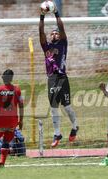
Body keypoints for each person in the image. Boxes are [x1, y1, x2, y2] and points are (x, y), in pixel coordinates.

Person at [39, 2, 78, 148]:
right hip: (51, 78)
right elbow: (40, 33)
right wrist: (42, 17)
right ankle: (57, 133)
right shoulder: (46, 46)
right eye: (53, 33)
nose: (55, 34)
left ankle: (75, 126)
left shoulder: (63, 44)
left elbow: (61, 27)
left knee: (67, 107)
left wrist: (56, 13)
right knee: (54, 107)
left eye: (57, 32)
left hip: (63, 78)